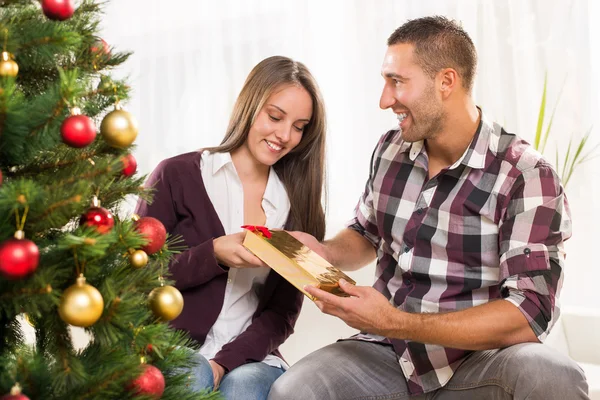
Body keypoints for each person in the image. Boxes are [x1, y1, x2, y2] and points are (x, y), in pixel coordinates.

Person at [268, 16, 589, 400]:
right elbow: (365, 231)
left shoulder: (525, 175)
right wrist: (325, 252)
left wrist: (395, 320)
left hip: (477, 362)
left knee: (553, 375)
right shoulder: (391, 150)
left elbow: (529, 311)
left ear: (446, 82)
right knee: (294, 391)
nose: (384, 100)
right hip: (387, 353)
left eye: (397, 82)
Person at [135, 55, 327, 400]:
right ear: (249, 105)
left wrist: (224, 364)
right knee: (193, 373)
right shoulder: (177, 176)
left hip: (252, 357)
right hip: (174, 346)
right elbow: (138, 279)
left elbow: (281, 314)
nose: (285, 135)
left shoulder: (298, 209)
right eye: (275, 116)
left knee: (243, 387)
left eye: (299, 126)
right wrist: (213, 255)